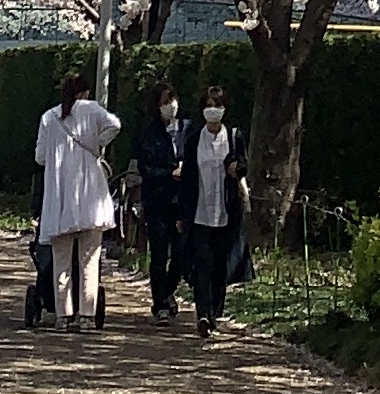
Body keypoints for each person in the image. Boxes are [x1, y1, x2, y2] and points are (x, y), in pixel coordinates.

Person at [34, 72, 120, 332]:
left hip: (61, 199)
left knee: (61, 260)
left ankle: (62, 315)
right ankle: (87, 316)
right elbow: (115, 124)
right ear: (84, 92)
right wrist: (97, 144)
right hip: (91, 198)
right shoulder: (93, 110)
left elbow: (40, 157)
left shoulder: (49, 118)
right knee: (89, 260)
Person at [177, 86, 249, 338]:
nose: (212, 109)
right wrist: (180, 214)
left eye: (217, 104)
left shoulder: (234, 136)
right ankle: (203, 314)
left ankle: (215, 312)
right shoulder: (194, 139)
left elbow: (244, 165)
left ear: (224, 109)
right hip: (199, 212)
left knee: (220, 265)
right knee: (203, 264)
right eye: (208, 104)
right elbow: (187, 178)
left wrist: (235, 170)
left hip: (226, 211)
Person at [132, 81, 193, 326]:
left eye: (173, 100)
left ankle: (168, 291)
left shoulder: (188, 130)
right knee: (158, 254)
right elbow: (146, 169)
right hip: (157, 201)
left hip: (182, 202)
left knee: (180, 254)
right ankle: (159, 305)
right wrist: (170, 173)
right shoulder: (149, 134)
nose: (171, 106)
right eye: (165, 102)